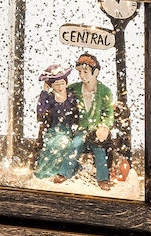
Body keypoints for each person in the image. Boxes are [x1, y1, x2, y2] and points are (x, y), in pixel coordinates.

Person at [54, 53, 115, 191]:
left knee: (99, 151)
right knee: (74, 146)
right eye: (80, 72)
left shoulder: (105, 91)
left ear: (95, 72)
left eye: (85, 72)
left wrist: (104, 127)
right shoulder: (75, 88)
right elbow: (61, 92)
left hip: (96, 131)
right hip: (81, 129)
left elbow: (108, 113)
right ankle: (64, 173)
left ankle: (103, 178)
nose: (82, 75)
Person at [33, 65, 80, 179]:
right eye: (56, 84)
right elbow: (40, 112)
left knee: (64, 142)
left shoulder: (71, 96)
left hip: (67, 130)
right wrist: (44, 92)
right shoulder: (49, 97)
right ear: (51, 85)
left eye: (62, 83)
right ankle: (47, 172)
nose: (60, 87)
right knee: (52, 144)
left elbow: (77, 114)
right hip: (53, 130)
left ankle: (61, 172)